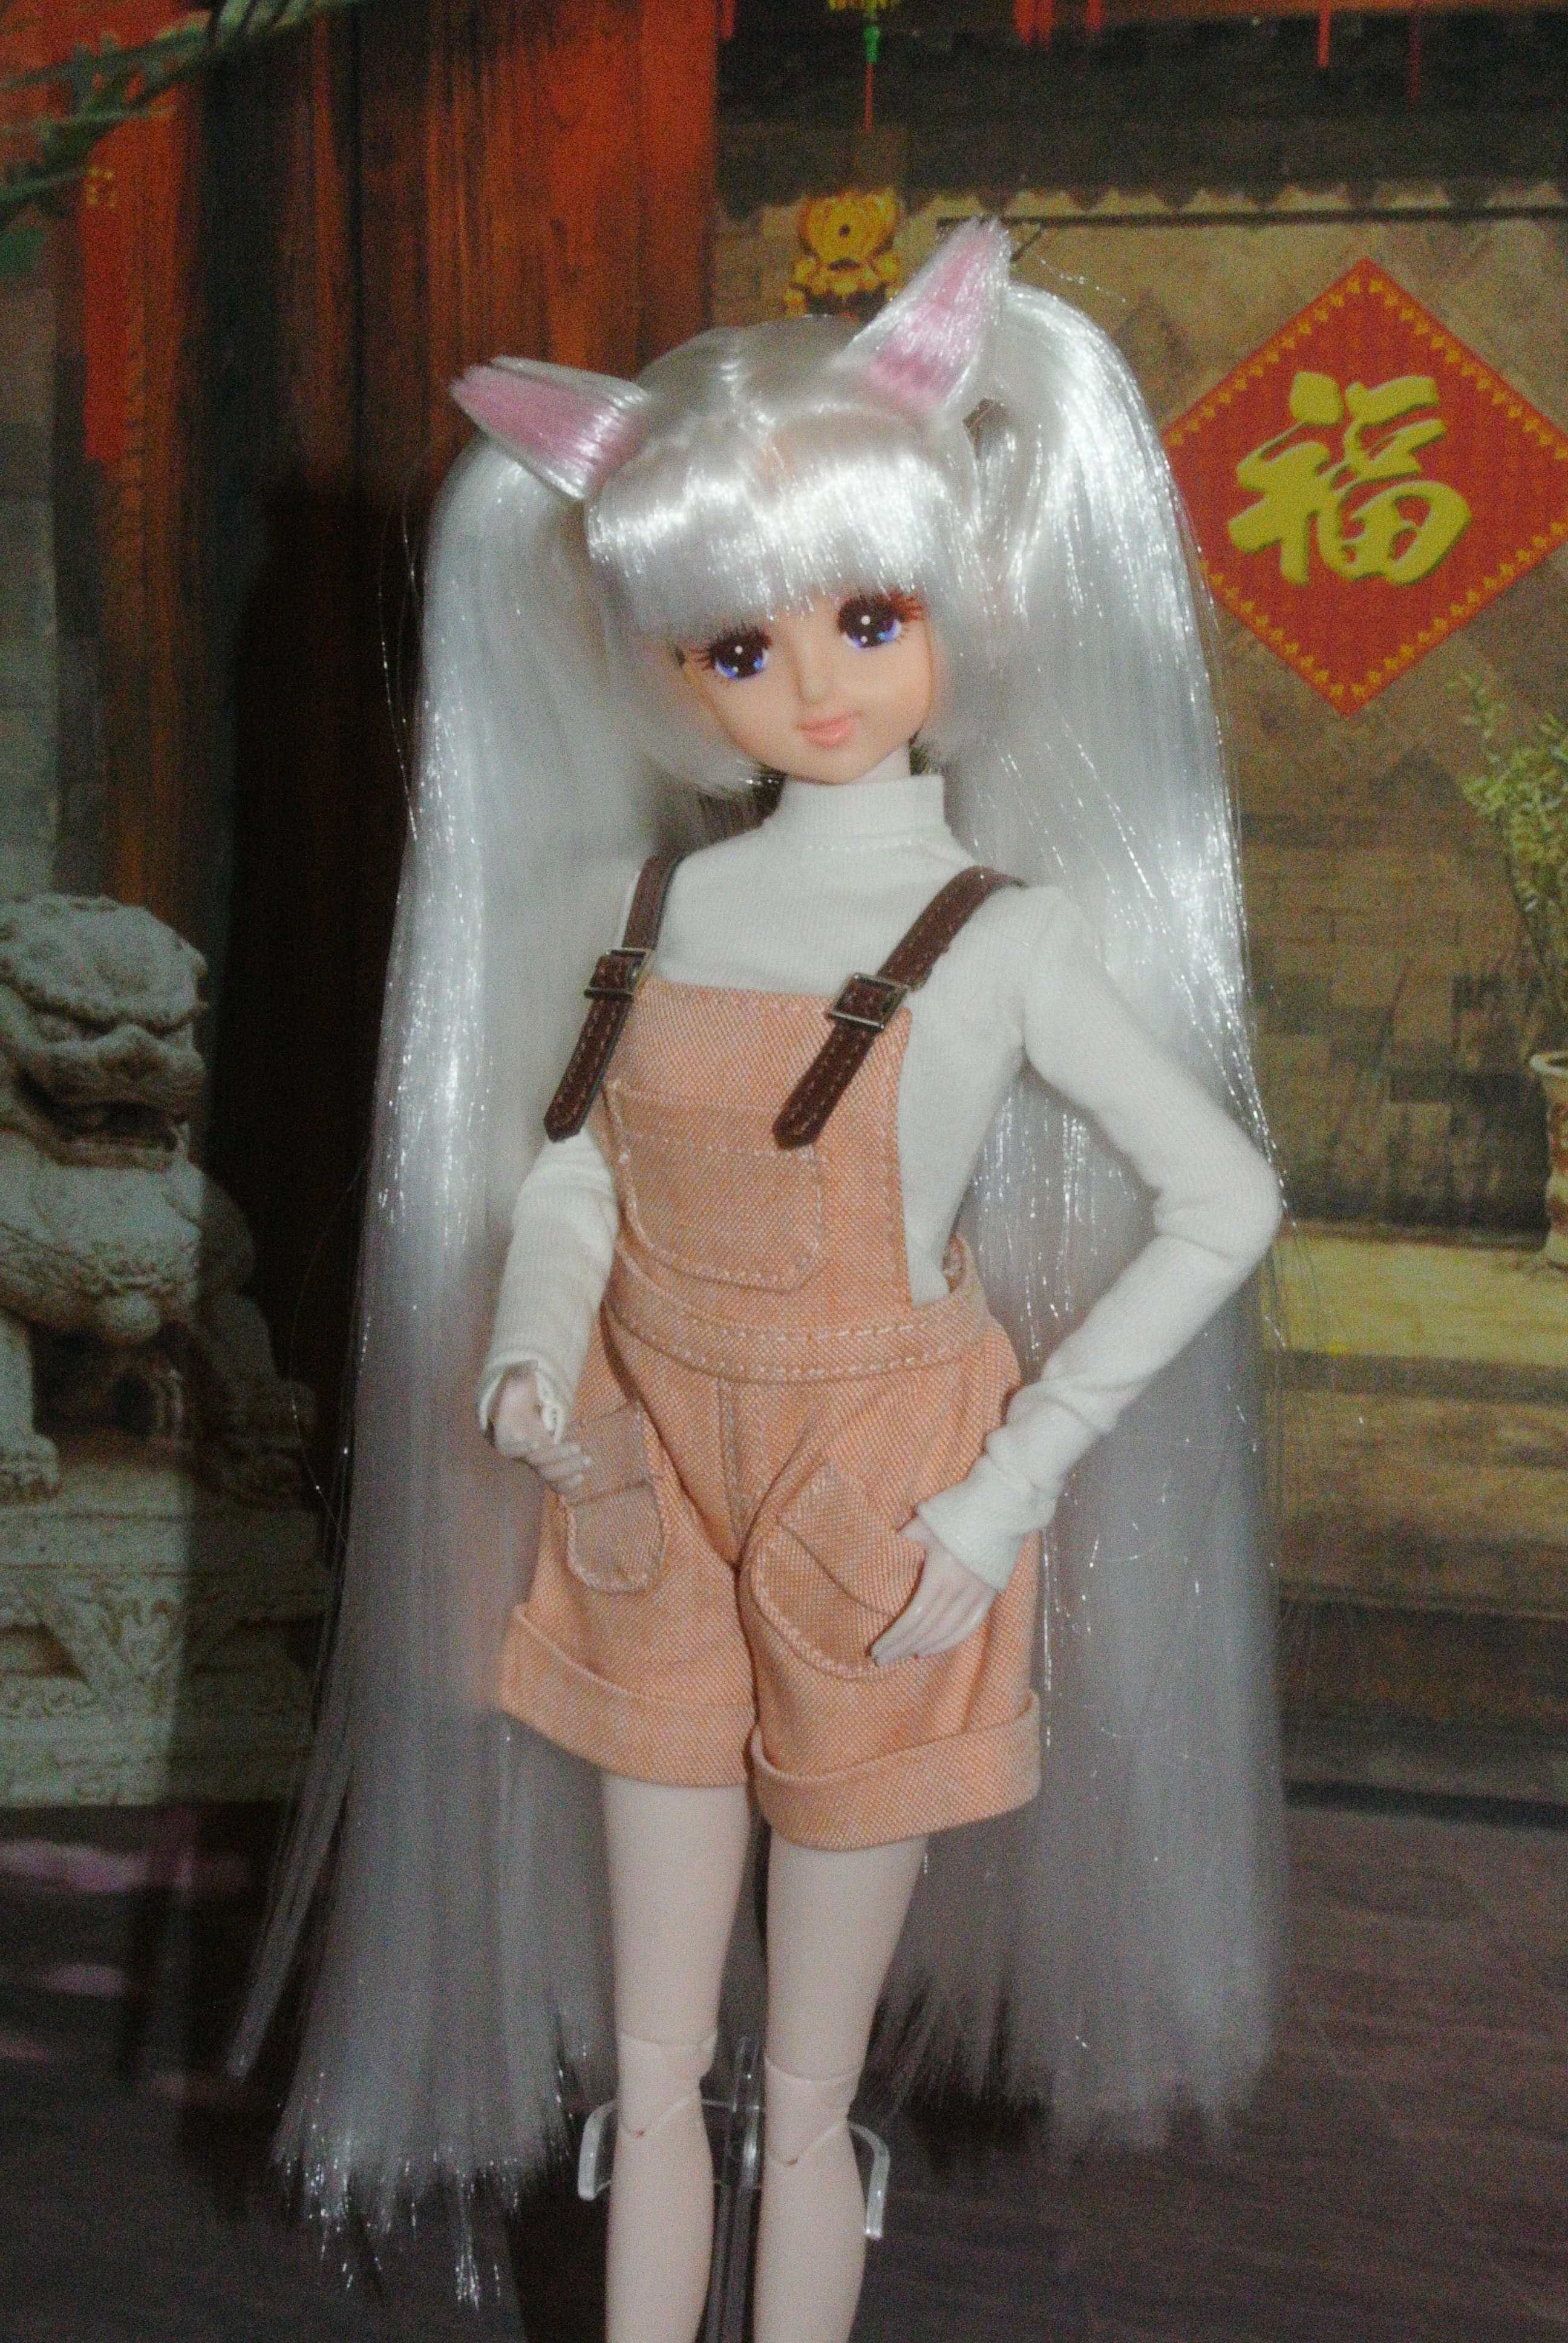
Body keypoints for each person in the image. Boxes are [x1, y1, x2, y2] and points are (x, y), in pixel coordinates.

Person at [235, 222, 1285, 2343]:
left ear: (957, 605)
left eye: (868, 617)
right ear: (667, 666)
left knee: (804, 2094)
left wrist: (1011, 1484)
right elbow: (577, 1169)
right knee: (651, 2071)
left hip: (882, 1497)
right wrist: (532, 1345)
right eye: (740, 644)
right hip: (645, 1477)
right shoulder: (654, 907)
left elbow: (1224, 1201)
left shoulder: (999, 935)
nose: (815, 682)